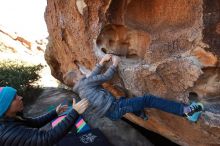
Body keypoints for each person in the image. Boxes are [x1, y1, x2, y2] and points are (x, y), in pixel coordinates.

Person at [63, 54, 204, 122]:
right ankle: (186, 111)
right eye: (81, 74)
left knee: (127, 100)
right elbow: (104, 78)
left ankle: (141, 114)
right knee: (148, 99)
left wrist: (101, 62)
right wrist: (114, 64)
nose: (83, 73)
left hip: (111, 114)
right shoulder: (86, 83)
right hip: (115, 107)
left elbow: (92, 77)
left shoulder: (80, 90)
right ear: (76, 79)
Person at [0, 86, 89, 146]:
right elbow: (46, 138)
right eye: (15, 98)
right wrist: (74, 112)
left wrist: (55, 112)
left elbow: (35, 123)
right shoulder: (8, 132)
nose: (20, 97)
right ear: (5, 106)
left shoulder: (12, 117)